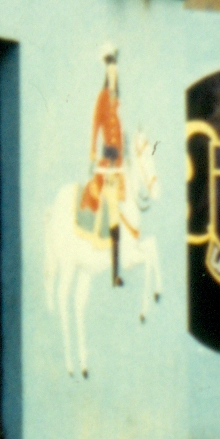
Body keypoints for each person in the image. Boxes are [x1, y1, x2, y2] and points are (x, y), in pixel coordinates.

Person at [80, 44, 125, 286]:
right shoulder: (102, 98)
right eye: (110, 69)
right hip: (106, 162)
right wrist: (92, 151)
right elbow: (96, 126)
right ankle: (95, 251)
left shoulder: (118, 104)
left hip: (118, 163)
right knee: (104, 203)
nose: (113, 74)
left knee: (120, 209)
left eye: (115, 69)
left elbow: (120, 134)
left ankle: (116, 270)